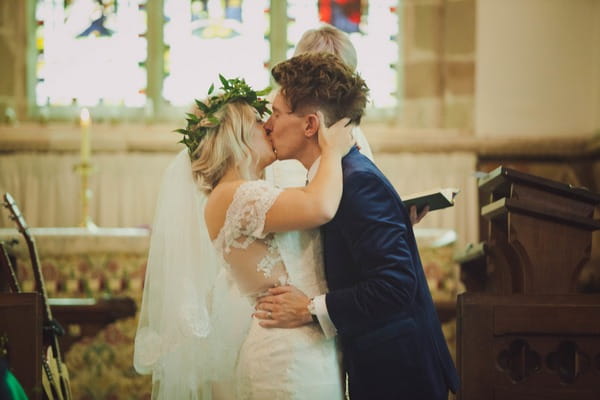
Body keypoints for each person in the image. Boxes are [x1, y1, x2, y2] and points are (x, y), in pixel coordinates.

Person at [134, 72, 365, 399]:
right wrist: (332, 149)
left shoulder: (252, 193)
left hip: (307, 345)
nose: (269, 126)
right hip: (286, 357)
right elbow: (321, 207)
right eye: (260, 122)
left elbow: (321, 219)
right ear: (238, 137)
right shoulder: (233, 196)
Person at [255, 53, 460, 399]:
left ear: (310, 125)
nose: (268, 125)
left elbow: (395, 285)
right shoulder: (339, 177)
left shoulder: (358, 183)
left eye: (276, 113)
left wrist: (309, 308)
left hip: (398, 375)